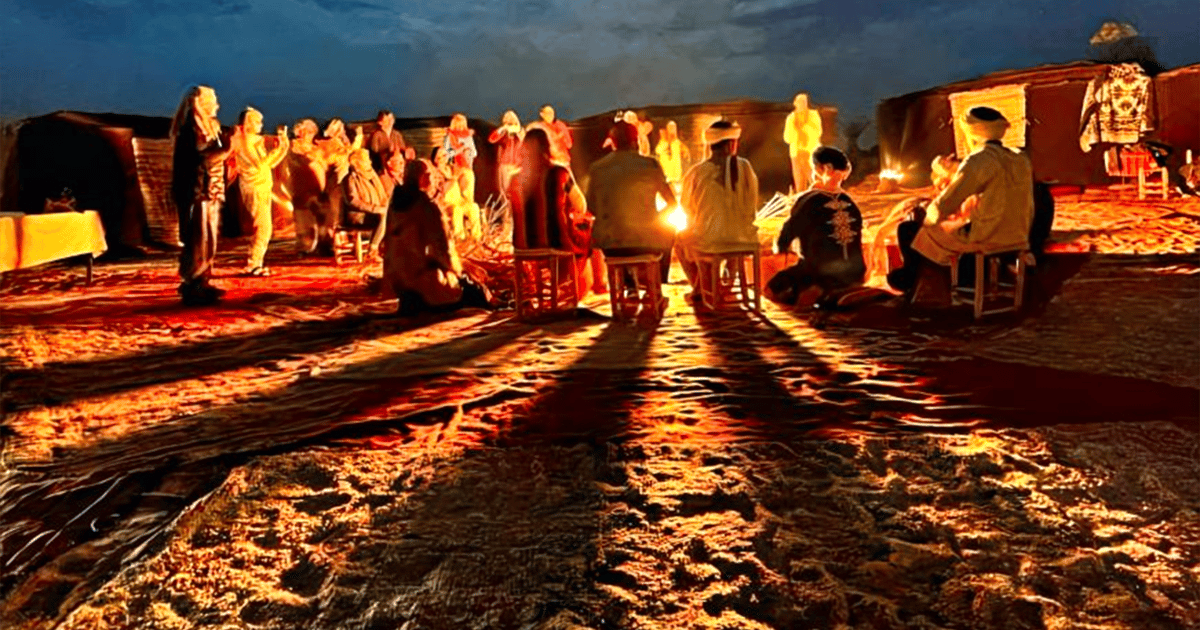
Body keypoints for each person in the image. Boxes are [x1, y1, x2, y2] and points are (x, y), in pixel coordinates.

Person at [886, 107, 1034, 293]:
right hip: (1017, 235)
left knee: (911, 230)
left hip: (987, 237)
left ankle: (913, 278)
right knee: (950, 226)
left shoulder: (979, 160)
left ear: (971, 133)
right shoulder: (1020, 159)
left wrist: (928, 215)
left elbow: (944, 205)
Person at [383, 159, 493, 316]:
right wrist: (460, 271)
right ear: (423, 178)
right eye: (430, 176)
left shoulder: (394, 206)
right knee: (477, 291)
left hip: (398, 282)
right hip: (423, 281)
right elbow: (443, 249)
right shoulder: (426, 207)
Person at [768, 146, 867, 306]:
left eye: (814, 169)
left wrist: (780, 247)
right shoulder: (851, 203)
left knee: (773, 287)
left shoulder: (809, 200)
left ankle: (814, 291)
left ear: (825, 169)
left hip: (821, 272)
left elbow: (789, 231)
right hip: (856, 273)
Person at [586, 120, 677, 286]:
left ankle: (630, 285)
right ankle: (655, 283)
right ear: (636, 141)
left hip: (611, 245)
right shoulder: (650, 165)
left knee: (616, 236)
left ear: (612, 143)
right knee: (669, 229)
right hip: (646, 241)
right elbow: (672, 203)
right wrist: (656, 217)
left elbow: (591, 207)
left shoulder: (597, 168)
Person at [676, 120, 759, 296]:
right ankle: (726, 283)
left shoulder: (696, 172)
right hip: (744, 239)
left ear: (710, 145)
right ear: (732, 143)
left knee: (682, 239)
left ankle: (703, 286)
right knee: (735, 231)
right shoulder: (746, 167)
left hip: (711, 241)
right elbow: (751, 205)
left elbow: (687, 210)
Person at [513, 128, 593, 299]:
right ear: (547, 148)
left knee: (560, 234)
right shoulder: (559, 173)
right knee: (584, 233)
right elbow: (581, 205)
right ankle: (569, 288)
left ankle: (554, 286)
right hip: (554, 241)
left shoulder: (514, 179)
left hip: (522, 244)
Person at [171, 85, 232, 306]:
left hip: (210, 191)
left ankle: (203, 281)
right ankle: (193, 284)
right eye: (213, 101)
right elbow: (202, 159)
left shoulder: (208, 128)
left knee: (208, 239)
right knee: (198, 239)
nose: (217, 105)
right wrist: (226, 150)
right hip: (197, 192)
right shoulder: (192, 129)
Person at [233, 107, 290, 276]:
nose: (261, 125)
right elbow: (260, 164)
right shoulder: (245, 141)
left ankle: (256, 262)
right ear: (249, 123)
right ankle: (253, 264)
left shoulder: (252, 140)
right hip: (254, 187)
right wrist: (280, 148)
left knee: (264, 227)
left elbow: (269, 164)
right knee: (263, 227)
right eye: (257, 121)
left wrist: (283, 147)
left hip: (262, 186)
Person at [289, 118, 339, 256]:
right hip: (302, 189)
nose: (309, 134)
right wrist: (318, 159)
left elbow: (329, 159)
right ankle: (305, 248)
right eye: (306, 131)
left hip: (319, 189)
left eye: (312, 131)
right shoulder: (294, 146)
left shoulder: (316, 148)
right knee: (305, 221)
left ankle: (324, 245)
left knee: (324, 218)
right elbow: (304, 161)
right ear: (299, 132)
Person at [343, 148, 389, 262]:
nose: (370, 162)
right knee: (383, 216)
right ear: (358, 163)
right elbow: (354, 201)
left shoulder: (373, 176)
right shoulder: (351, 179)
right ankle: (372, 250)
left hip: (372, 213)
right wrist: (375, 209)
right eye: (366, 160)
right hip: (358, 216)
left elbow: (383, 196)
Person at [432, 145, 483, 243]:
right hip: (445, 204)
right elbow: (442, 191)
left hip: (458, 200)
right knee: (457, 210)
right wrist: (453, 178)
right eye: (440, 157)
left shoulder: (451, 168)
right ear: (435, 159)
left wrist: (465, 175)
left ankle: (477, 238)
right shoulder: (435, 173)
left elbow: (463, 173)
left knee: (473, 207)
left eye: (444, 155)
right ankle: (460, 238)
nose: (443, 159)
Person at [783, 92, 823, 193]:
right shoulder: (791, 118)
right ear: (795, 103)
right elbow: (787, 138)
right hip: (796, 154)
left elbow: (818, 132)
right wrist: (795, 130)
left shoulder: (813, 115)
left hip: (810, 153)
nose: (802, 104)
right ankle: (802, 202)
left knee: (815, 180)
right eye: (799, 102)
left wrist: (804, 127)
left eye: (804, 102)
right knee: (799, 183)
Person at [488, 109, 524, 203]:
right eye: (507, 119)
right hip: (505, 164)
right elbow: (492, 139)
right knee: (505, 190)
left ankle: (515, 214)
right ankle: (507, 214)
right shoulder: (503, 133)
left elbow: (524, 141)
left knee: (516, 190)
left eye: (511, 119)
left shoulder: (520, 132)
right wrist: (502, 129)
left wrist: (517, 130)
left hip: (517, 165)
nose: (509, 122)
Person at [367, 109, 413, 173]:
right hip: (382, 169)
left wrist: (407, 152)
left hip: (396, 167)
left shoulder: (397, 134)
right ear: (380, 122)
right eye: (388, 118)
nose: (391, 120)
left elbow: (402, 149)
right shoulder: (376, 135)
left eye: (392, 118)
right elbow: (374, 153)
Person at [654, 120, 691, 192]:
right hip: (668, 179)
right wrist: (664, 141)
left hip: (677, 179)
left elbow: (685, 155)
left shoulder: (677, 144)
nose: (671, 131)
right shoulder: (661, 146)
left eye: (673, 128)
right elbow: (658, 152)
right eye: (670, 128)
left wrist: (685, 151)